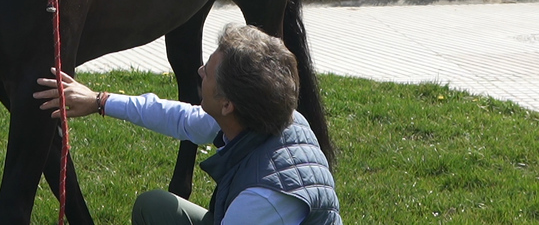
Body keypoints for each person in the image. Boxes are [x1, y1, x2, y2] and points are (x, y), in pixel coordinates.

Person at [34, 24, 341, 225]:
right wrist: (99, 101)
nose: (199, 70)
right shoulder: (278, 119)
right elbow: (181, 119)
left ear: (227, 104)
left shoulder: (260, 202)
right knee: (154, 207)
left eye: (207, 71)